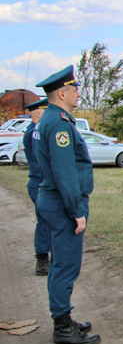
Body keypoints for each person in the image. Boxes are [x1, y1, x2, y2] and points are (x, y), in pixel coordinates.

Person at [34, 65, 100, 344]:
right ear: (62, 93)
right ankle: (62, 329)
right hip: (62, 204)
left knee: (59, 264)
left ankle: (64, 319)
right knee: (66, 266)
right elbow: (65, 172)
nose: (77, 95)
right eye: (74, 90)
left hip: (50, 199)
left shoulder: (49, 119)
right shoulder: (59, 123)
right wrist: (76, 211)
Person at [23, 98, 51, 276]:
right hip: (39, 182)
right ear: (39, 113)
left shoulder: (34, 131)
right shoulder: (34, 133)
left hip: (40, 182)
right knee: (45, 220)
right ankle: (42, 259)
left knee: (48, 220)